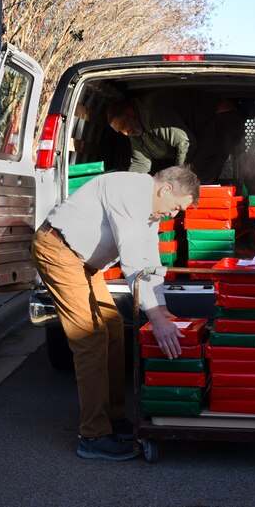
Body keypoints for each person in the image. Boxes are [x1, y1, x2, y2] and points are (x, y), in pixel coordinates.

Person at [31, 166, 200, 461]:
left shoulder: (149, 210)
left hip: (84, 261)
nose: (173, 215)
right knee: (91, 338)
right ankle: (93, 436)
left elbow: (151, 263)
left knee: (113, 329)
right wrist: (156, 320)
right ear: (166, 190)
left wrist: (162, 310)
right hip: (58, 251)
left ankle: (114, 418)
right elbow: (134, 264)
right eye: (175, 207)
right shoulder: (131, 192)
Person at [106, 88, 244, 184]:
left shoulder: (152, 114)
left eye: (124, 125)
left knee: (194, 179)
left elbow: (186, 143)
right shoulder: (134, 131)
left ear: (130, 112)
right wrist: (129, 186)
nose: (125, 132)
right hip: (202, 132)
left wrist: (177, 178)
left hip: (222, 118)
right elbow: (140, 162)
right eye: (120, 131)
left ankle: (202, 223)